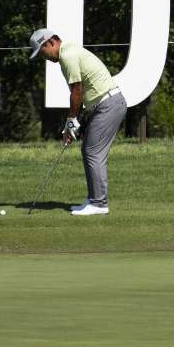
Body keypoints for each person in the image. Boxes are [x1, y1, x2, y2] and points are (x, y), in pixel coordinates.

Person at [29, 28, 126, 216]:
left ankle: (99, 203)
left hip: (109, 104)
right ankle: (94, 199)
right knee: (89, 149)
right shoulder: (69, 51)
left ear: (50, 42)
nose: (44, 57)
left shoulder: (67, 55)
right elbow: (80, 95)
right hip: (105, 104)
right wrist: (72, 124)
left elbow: (76, 92)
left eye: (42, 52)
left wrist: (71, 121)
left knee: (92, 151)